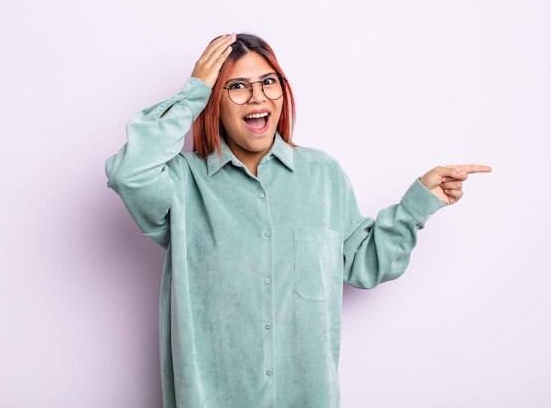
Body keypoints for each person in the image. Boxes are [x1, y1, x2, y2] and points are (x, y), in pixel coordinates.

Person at [104, 32, 492, 408]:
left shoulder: (322, 174)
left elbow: (365, 264)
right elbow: (129, 173)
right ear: (214, 102)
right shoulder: (181, 181)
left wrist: (417, 205)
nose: (258, 96)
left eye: (268, 82)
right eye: (237, 86)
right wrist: (194, 92)